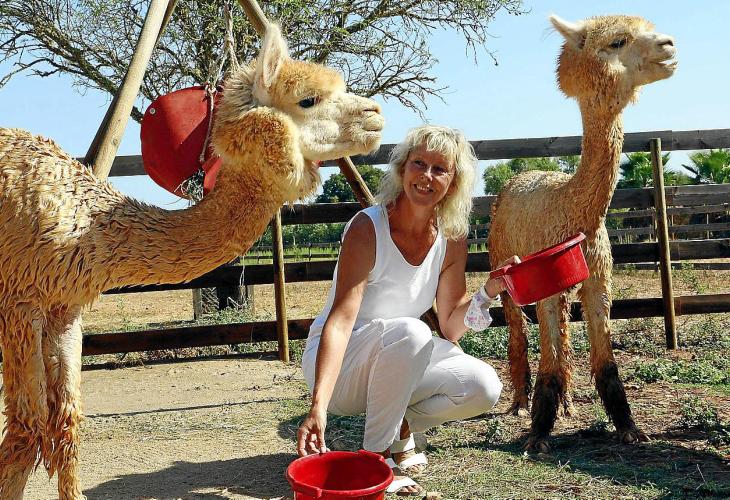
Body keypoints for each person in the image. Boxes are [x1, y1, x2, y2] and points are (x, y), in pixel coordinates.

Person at [297, 125, 518, 495]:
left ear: (454, 181)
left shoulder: (452, 238)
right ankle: (374, 459)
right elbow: (340, 321)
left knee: (482, 386)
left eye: (440, 168)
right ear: (402, 168)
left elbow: (450, 325)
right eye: (419, 163)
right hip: (342, 364)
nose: (427, 176)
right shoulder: (368, 227)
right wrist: (318, 406)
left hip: (399, 356)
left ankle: (399, 423)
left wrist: (489, 291)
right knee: (413, 332)